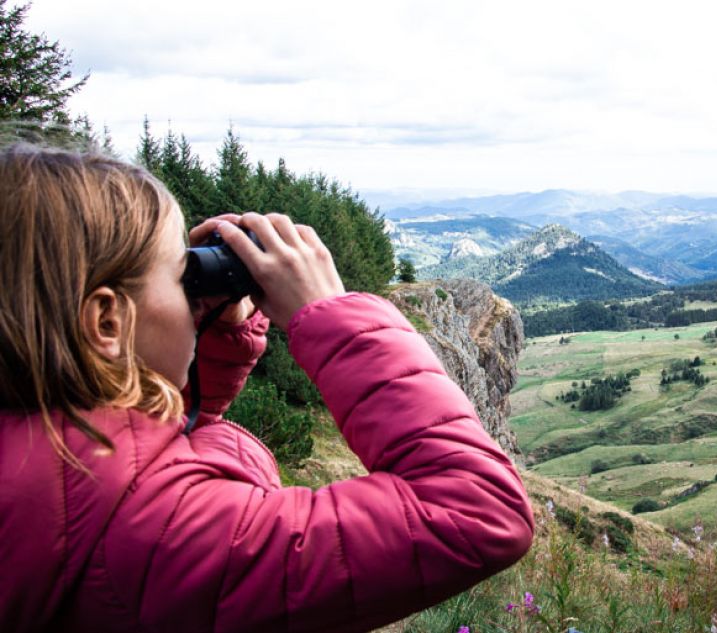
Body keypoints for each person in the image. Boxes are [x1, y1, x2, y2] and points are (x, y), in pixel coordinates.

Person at [0, 144, 535, 632]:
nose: (195, 290)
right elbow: (478, 509)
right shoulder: (154, 533)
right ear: (107, 322)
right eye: (180, 274)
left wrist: (215, 335)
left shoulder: (51, 459)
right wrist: (330, 315)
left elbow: (140, 450)